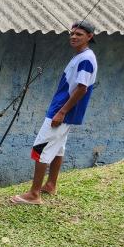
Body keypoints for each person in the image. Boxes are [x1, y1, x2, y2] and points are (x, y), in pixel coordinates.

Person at [12, 20, 98, 205]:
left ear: (89, 37)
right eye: (72, 33)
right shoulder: (82, 56)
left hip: (61, 112)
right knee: (58, 148)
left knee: (40, 149)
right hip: (62, 111)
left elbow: (82, 88)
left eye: (79, 34)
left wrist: (62, 112)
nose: (73, 37)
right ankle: (51, 184)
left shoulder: (86, 59)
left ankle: (34, 194)